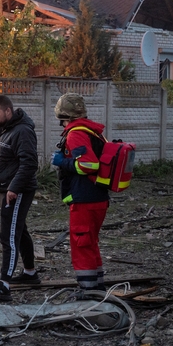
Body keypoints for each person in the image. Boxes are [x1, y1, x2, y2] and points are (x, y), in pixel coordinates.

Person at [0, 95, 39, 302]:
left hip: (17, 191)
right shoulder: (6, 129)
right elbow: (5, 160)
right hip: (6, 189)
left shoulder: (22, 131)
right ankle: (30, 273)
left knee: (9, 235)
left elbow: (29, 163)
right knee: (20, 231)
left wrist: (13, 187)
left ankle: (4, 285)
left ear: (8, 111)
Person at [51, 93, 110, 291]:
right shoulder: (93, 131)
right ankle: (97, 288)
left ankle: (88, 292)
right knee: (90, 243)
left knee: (81, 244)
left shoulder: (76, 133)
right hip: (98, 196)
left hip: (85, 199)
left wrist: (63, 162)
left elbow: (89, 165)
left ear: (62, 116)